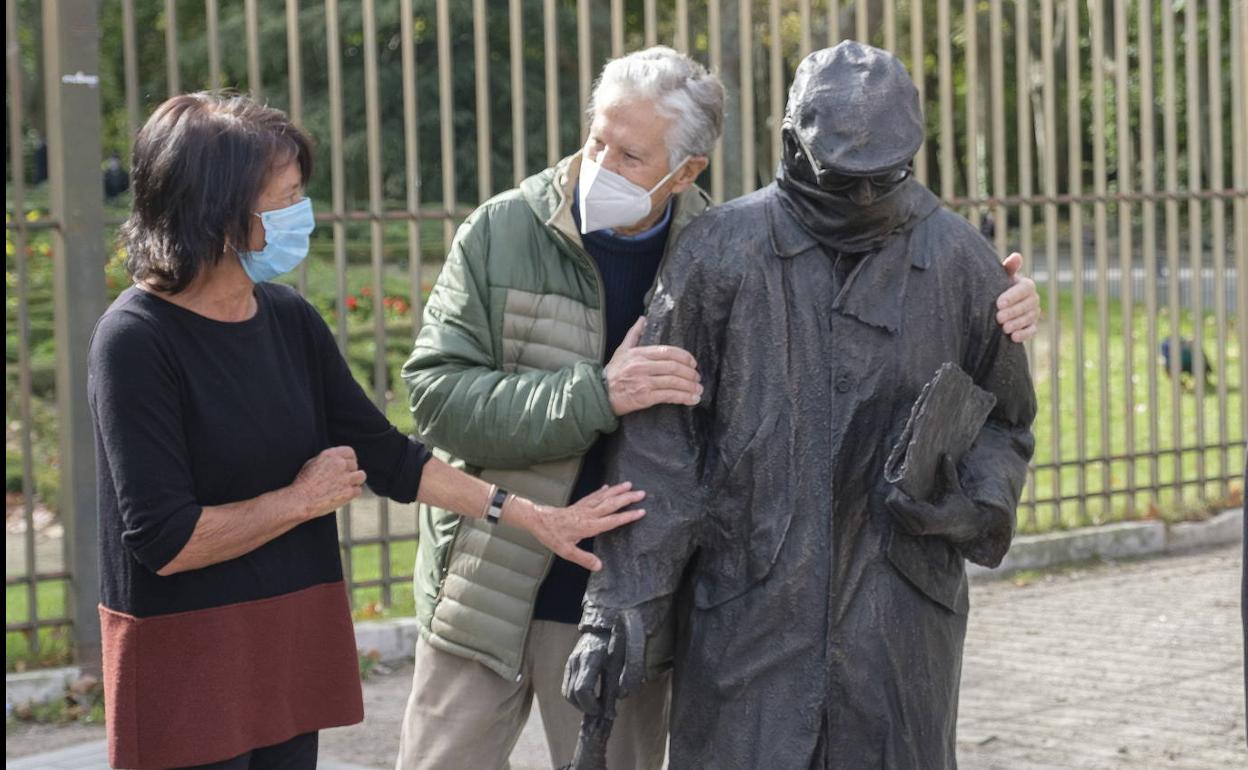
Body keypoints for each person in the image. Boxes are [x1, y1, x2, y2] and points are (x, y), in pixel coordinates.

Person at [398, 46, 1041, 770]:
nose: (860, 199)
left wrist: (969, 506)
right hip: (729, 613)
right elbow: (662, 448)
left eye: (877, 179)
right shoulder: (717, 251)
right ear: (794, 142)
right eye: (839, 178)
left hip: (897, 623)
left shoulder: (960, 262)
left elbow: (1005, 421)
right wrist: (621, 610)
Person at [89, 92, 644, 770]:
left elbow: (389, 457)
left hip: (287, 642)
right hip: (188, 665)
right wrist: (300, 501)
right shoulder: (135, 341)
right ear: (216, 212)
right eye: (283, 199)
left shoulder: (287, 319)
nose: (302, 215)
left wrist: (530, 517)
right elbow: (164, 540)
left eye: (300, 194)